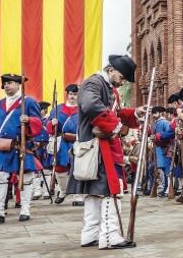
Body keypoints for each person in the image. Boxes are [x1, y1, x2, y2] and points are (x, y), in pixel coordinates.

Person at [65, 54, 143, 248]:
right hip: (98, 147)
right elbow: (91, 106)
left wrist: (134, 113)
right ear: (111, 70)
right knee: (110, 191)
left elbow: (115, 112)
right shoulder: (93, 83)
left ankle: (90, 235)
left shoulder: (109, 89)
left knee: (94, 193)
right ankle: (109, 237)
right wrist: (116, 127)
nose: (123, 82)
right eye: (122, 77)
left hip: (102, 147)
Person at [0, 74, 44, 224]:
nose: (6, 86)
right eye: (4, 83)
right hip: (3, 145)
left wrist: (29, 120)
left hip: (22, 145)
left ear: (19, 85)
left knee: (27, 177)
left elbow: (39, 124)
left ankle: (25, 209)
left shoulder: (29, 101)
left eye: (10, 83)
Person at [49, 84, 79, 204]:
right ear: (67, 95)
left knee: (78, 169)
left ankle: (77, 196)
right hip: (62, 142)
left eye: (75, 94)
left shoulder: (83, 109)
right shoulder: (57, 109)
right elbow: (49, 129)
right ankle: (63, 190)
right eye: (71, 94)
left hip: (78, 142)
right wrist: (52, 124)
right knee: (60, 168)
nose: (72, 97)